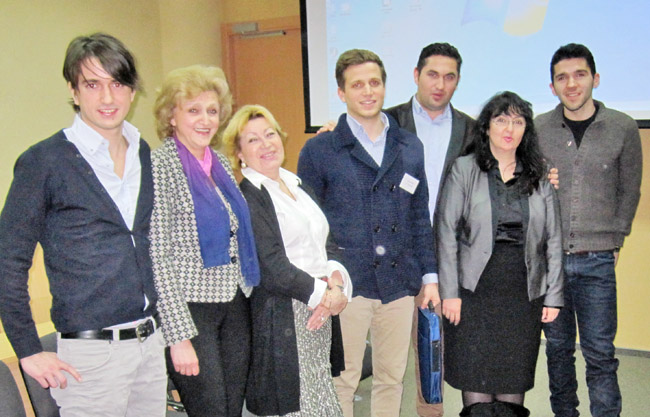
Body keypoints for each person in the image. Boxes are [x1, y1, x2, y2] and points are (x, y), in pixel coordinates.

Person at [0, 33, 167, 416]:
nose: (107, 98)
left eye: (117, 84)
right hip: (90, 356)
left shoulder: (142, 152)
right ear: (73, 91)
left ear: (132, 91)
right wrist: (28, 348)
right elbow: (8, 260)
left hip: (149, 343)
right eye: (92, 84)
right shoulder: (44, 162)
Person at [298, 49, 438, 417]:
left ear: (385, 87)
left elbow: (419, 217)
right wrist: (327, 278)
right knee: (344, 379)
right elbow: (308, 223)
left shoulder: (409, 146)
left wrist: (429, 277)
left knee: (391, 378)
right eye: (357, 84)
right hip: (347, 283)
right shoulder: (319, 149)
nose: (368, 91)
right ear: (341, 93)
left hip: (398, 282)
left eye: (374, 82)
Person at [438, 91, 563, 417]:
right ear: (486, 126)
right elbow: (447, 233)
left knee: (512, 384)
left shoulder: (540, 173)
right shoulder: (464, 168)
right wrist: (449, 293)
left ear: (526, 129)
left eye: (518, 122)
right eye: (502, 120)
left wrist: (553, 296)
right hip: (473, 293)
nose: (510, 128)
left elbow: (553, 239)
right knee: (476, 383)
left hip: (523, 295)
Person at [222, 104, 352, 416]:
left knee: (320, 399)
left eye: (270, 134)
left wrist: (337, 286)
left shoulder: (297, 185)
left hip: (318, 308)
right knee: (297, 406)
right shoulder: (248, 197)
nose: (266, 144)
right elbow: (271, 265)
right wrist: (325, 296)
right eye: (252, 140)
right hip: (286, 316)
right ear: (239, 153)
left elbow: (327, 243)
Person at [537, 43, 643, 417]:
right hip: (550, 263)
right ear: (552, 86)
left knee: (600, 353)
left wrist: (616, 240)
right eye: (562, 77)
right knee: (557, 351)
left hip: (597, 260)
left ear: (595, 79)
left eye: (580, 75)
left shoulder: (623, 127)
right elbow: (523, 188)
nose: (571, 84)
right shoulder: (537, 129)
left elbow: (630, 189)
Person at [150, 65, 260, 417]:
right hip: (191, 310)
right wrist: (178, 336)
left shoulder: (221, 165)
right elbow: (158, 255)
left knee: (231, 409)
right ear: (172, 116)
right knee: (209, 409)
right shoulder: (160, 166)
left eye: (212, 111)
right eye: (193, 110)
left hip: (234, 304)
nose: (205, 120)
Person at [385, 42, 474, 417]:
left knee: (433, 354)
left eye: (449, 77)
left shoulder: (472, 130)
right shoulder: (387, 122)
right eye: (432, 74)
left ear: (458, 81)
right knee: (390, 363)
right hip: (396, 258)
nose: (440, 84)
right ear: (416, 75)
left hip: (452, 258)